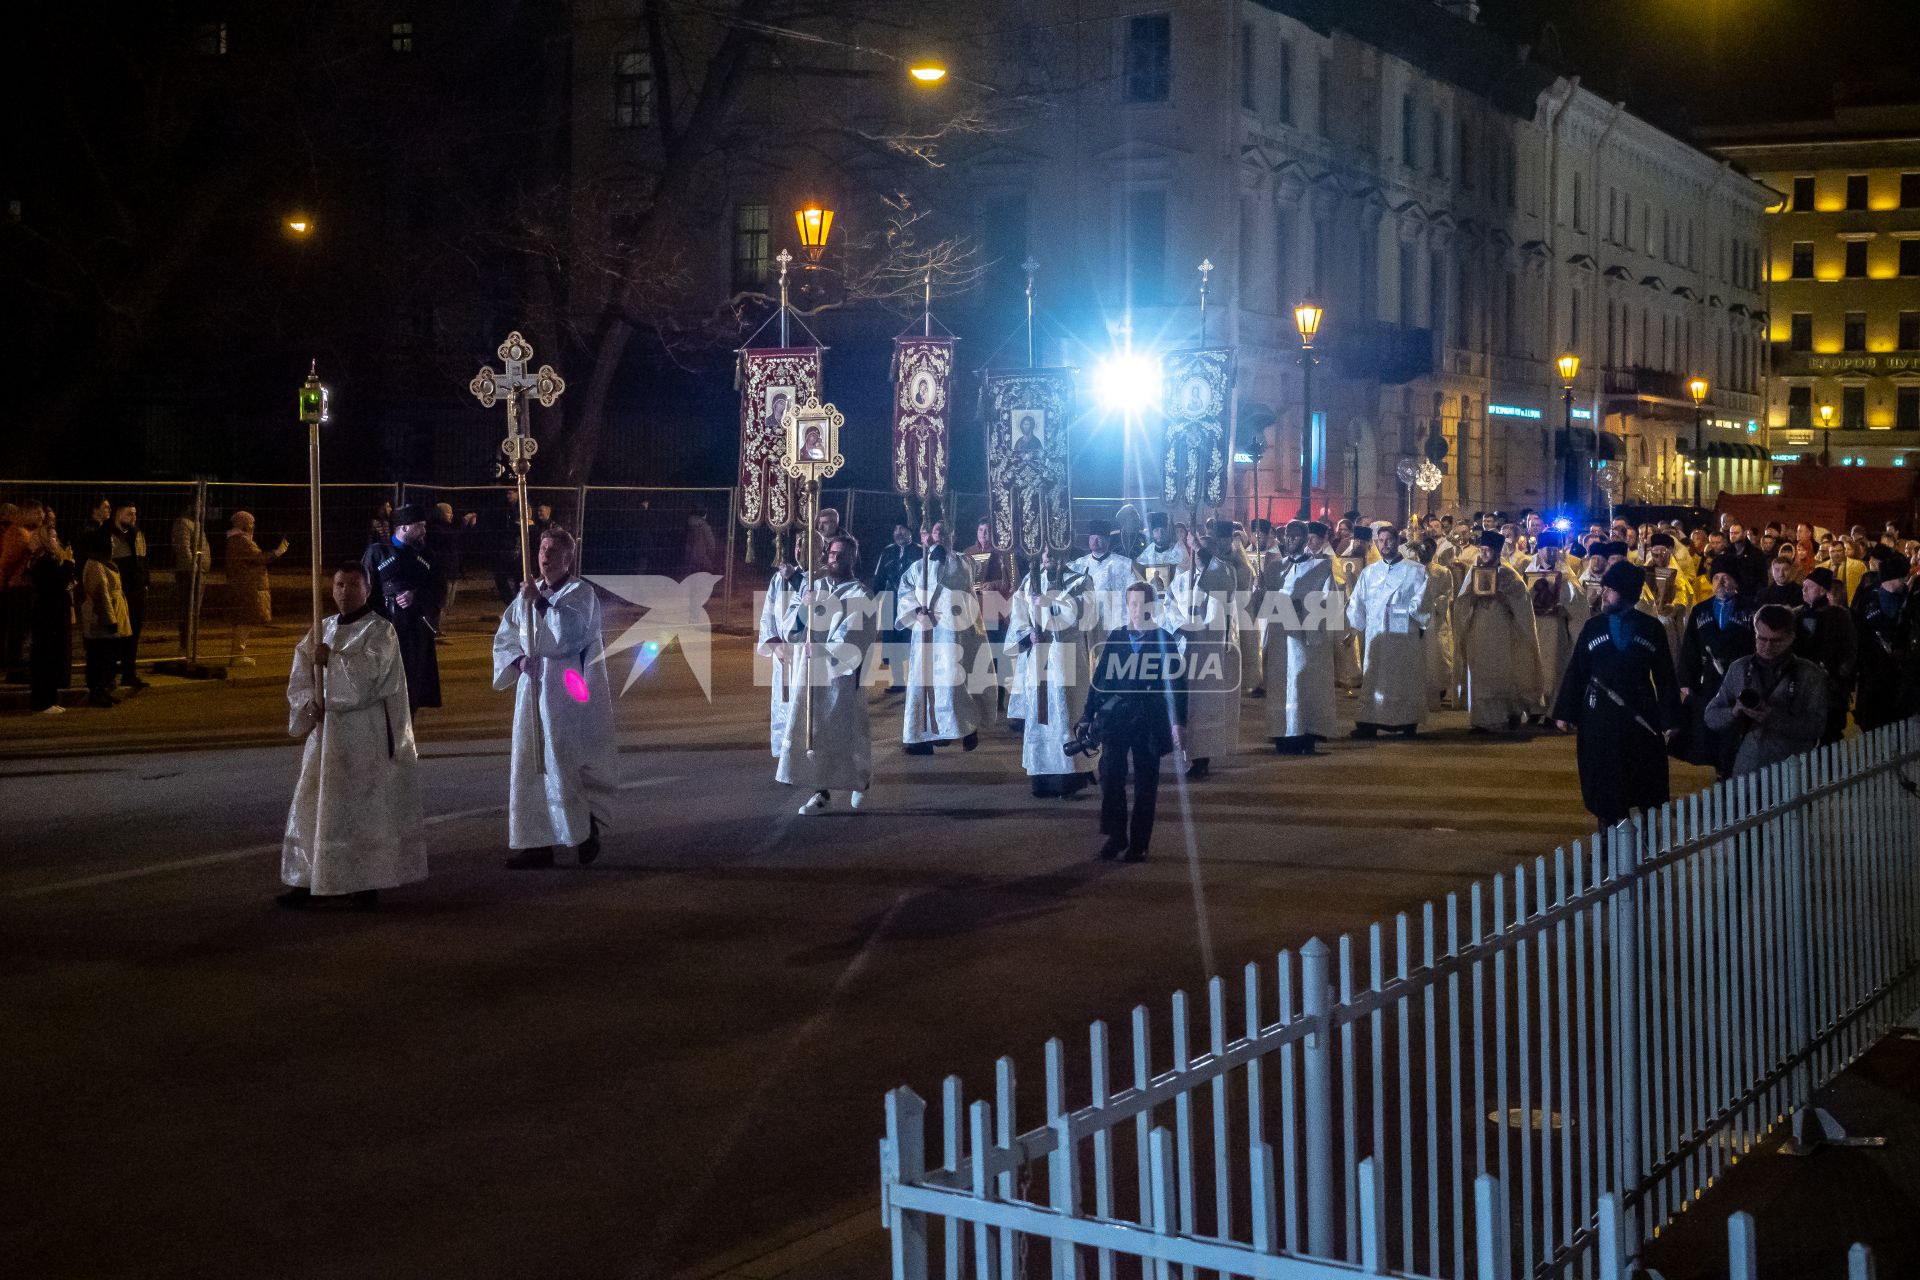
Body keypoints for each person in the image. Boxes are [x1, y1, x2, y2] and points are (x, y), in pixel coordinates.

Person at [279, 562, 428, 909]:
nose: (344, 592)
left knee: (359, 804)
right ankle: (309, 877)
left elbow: (369, 682)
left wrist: (333, 661)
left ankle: (363, 880)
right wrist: (307, 703)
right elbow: (301, 671)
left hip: (361, 729)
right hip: (326, 731)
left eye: (352, 585)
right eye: (339, 585)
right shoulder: (323, 628)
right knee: (313, 799)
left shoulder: (379, 631)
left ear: (367, 588)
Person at [494, 527, 620, 868]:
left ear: (567, 557)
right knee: (529, 763)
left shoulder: (580, 592)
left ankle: (583, 829)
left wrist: (543, 602)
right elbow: (506, 635)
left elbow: (572, 634)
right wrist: (518, 660)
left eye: (552, 551)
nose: (545, 556)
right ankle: (536, 842)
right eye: (541, 549)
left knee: (561, 760)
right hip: (531, 687)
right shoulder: (527, 592)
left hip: (563, 690)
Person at [1552, 561, 1682, 827]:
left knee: (1641, 776)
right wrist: (1565, 712)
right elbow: (1577, 671)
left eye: (1610, 590)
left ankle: (1644, 837)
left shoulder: (1651, 628)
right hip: (1600, 717)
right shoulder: (1593, 627)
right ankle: (1607, 836)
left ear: (1625, 593)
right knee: (1603, 777)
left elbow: (1665, 677)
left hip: (1639, 714)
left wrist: (1670, 719)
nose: (1604, 595)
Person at [1082, 581, 1186, 862]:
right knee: (1111, 775)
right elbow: (1099, 681)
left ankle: (1140, 842)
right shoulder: (1116, 638)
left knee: (1146, 781)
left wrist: (1178, 723)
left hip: (1149, 718)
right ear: (1127, 606)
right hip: (1117, 717)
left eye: (1143, 604)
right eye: (1133, 604)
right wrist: (1087, 714)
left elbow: (1176, 685)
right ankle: (1116, 835)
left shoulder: (1164, 639)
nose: (1138, 609)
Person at [780, 534, 876, 815]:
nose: (835, 558)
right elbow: (791, 628)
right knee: (815, 731)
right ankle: (821, 793)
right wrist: (802, 610)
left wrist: (822, 648)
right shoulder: (813, 586)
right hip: (809, 673)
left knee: (846, 731)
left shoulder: (860, 594)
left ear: (853, 558)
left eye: (842, 554)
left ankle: (860, 780)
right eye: (832, 553)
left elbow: (855, 634)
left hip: (842, 677)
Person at [1006, 547, 1095, 796]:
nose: (1047, 556)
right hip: (1039, 656)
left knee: (1066, 712)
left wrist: (1049, 604)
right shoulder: (1030, 581)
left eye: (1052, 551)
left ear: (1063, 553)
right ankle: (1042, 777)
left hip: (1066, 654)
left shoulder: (1080, 580)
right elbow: (1019, 616)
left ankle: (1070, 777)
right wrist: (1028, 633)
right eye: (1043, 551)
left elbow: (1086, 618)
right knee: (1040, 716)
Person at [1703, 604, 1827, 776]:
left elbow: (1817, 727)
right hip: (1746, 771)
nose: (1767, 647)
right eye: (1761, 638)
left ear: (1791, 638)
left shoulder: (1809, 674)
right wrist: (1735, 711)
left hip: (1791, 771)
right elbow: (1711, 716)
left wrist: (1773, 717)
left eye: (1776, 640)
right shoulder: (1739, 668)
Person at [896, 520, 982, 755]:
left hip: (954, 632)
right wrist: (915, 610)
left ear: (952, 536)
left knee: (954, 682)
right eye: (937, 532)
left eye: (945, 533)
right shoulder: (917, 566)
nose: (941, 536)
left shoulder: (964, 562)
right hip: (926, 630)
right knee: (923, 683)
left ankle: (965, 728)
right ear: (930, 535)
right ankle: (921, 736)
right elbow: (905, 590)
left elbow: (965, 585)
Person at [1166, 520, 1242, 777]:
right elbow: (1169, 604)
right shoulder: (1181, 577)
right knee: (1183, 701)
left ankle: (1201, 756)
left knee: (1203, 704)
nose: (1198, 556)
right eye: (1196, 552)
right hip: (1184, 647)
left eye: (1204, 552)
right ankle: (1184, 750)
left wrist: (1198, 625)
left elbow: (1225, 591)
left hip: (1207, 647)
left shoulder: (1224, 572)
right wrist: (1180, 624)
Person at [1346, 524, 1437, 738]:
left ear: (1397, 542)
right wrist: (1354, 627)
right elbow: (1357, 601)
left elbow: (1423, 602)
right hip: (1376, 636)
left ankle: (1405, 722)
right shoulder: (1370, 572)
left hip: (1403, 635)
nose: (1385, 545)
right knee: (1374, 676)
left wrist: (1404, 613)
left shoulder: (1415, 570)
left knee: (1402, 676)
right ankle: (1369, 721)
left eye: (1389, 540)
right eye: (1381, 540)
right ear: (1376, 543)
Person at [1259, 520, 1341, 754]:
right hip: (1279, 637)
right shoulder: (1276, 568)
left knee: (1302, 682)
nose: (1290, 540)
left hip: (1306, 638)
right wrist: (1260, 588)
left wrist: (1302, 607)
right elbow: (1263, 603)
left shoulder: (1321, 567)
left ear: (1306, 539)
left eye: (1295, 537)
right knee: (1280, 684)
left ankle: (1306, 733)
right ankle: (1282, 733)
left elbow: (1330, 602)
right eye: (1287, 536)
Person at [1454, 530, 1541, 733]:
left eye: (1488, 551)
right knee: (1479, 674)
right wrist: (1472, 598)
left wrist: (1505, 598)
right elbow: (1462, 601)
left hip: (1502, 631)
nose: (1484, 554)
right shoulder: (1474, 572)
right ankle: (1481, 720)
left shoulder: (1509, 575)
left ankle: (1509, 714)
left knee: (1502, 673)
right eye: (1482, 550)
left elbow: (1523, 605)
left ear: (1497, 551)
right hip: (1478, 628)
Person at [362, 503, 443, 717]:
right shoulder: (377, 553)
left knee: (412, 687)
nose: (424, 531)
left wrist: (417, 596)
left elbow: (438, 590)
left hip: (416, 634)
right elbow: (365, 592)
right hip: (384, 633)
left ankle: (407, 738)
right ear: (404, 527)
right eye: (420, 526)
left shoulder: (427, 555)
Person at [1675, 569, 1754, 777]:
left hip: (1739, 678)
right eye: (1717, 578)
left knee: (1735, 724)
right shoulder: (1701, 610)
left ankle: (1731, 767)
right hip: (1709, 679)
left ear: (1735, 581)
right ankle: (1718, 766)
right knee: (1711, 722)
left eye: (1727, 577)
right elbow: (1690, 648)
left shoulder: (1749, 609)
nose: (1721, 583)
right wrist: (1686, 680)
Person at [1522, 531, 1588, 724]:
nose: (1549, 552)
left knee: (1555, 668)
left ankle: (1552, 712)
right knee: (1534, 666)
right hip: (1535, 626)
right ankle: (1534, 708)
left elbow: (1578, 601)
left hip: (1555, 628)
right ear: (1539, 550)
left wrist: (1564, 609)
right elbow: (1522, 597)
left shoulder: (1566, 574)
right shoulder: (1529, 572)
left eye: (1553, 549)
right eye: (1546, 549)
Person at [1853, 547, 1920, 731]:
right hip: (1873, 675)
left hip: (1903, 677)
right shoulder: (1867, 601)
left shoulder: (1910, 600)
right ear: (1893, 578)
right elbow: (1858, 635)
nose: (1906, 581)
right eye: (1903, 577)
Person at [1794, 567, 1856, 745]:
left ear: (1822, 590)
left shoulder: (1839, 615)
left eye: (1809, 587)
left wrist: (1839, 674)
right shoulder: (1798, 614)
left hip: (1831, 683)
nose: (1804, 590)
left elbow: (1849, 649)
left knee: (1831, 732)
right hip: (1804, 682)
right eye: (1803, 586)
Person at [757, 535, 804, 757]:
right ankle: (784, 750)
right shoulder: (779, 579)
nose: (800, 549)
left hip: (807, 655)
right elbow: (768, 613)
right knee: (783, 704)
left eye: (807, 546)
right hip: (783, 654)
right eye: (798, 545)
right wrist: (775, 644)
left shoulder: (821, 578)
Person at [223, 512, 287, 668]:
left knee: (245, 620)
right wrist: (278, 552)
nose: (253, 526)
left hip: (245, 585)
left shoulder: (239, 540)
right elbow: (259, 558)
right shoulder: (241, 541)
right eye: (251, 523)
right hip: (247, 586)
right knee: (244, 620)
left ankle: (238, 653)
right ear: (243, 524)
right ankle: (237, 655)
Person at [26, 515, 74, 714]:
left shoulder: (49, 559)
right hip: (48, 613)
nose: (56, 541)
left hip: (51, 612)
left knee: (51, 656)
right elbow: (56, 584)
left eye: (56, 537)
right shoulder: (45, 561)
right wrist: (69, 564)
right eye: (52, 538)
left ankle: (49, 698)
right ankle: (43, 701)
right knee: (45, 656)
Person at [78, 530, 130, 709]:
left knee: (108, 657)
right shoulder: (95, 565)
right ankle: (96, 691)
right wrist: (110, 621)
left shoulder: (104, 562)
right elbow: (102, 595)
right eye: (111, 541)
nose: (114, 544)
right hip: (99, 619)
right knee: (100, 657)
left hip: (108, 615)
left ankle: (102, 691)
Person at [105, 503, 150, 691]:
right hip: (120, 592)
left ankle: (128, 674)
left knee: (133, 634)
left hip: (137, 591)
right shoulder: (109, 535)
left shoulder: (137, 534)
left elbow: (143, 561)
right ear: (117, 514)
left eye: (135, 513)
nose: (133, 517)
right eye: (129, 513)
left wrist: (146, 582)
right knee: (116, 634)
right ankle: (110, 676)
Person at [1068, 519, 1141, 632]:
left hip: (1116, 621)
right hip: (1089, 622)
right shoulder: (1079, 564)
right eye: (1092, 537)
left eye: (1099, 538)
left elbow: (1133, 594)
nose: (1095, 541)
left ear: (1108, 540)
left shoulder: (1125, 564)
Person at [870, 521, 916, 690]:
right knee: (892, 643)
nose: (899, 532)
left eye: (902, 528)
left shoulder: (919, 551)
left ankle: (915, 681)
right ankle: (898, 681)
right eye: (896, 528)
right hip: (891, 601)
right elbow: (879, 578)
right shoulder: (888, 552)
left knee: (912, 641)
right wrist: (871, 600)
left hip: (913, 603)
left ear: (910, 531)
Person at [1, 499, 43, 676]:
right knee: (19, 630)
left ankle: (18, 666)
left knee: (22, 630)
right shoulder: (18, 533)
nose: (41, 516)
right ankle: (16, 669)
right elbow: (7, 563)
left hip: (22, 588)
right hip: (19, 589)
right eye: (37, 512)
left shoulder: (25, 532)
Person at [170, 507, 213, 656]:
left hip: (199, 573)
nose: (202, 510)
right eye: (199, 506)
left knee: (194, 611)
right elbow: (183, 547)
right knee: (188, 610)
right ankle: (185, 646)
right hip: (190, 573)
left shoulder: (196, 524)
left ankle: (190, 646)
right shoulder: (184, 523)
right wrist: (194, 567)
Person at [427, 502, 476, 627]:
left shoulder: (447, 528)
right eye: (448, 512)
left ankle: (438, 628)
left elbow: (459, 538)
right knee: (441, 601)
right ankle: (434, 629)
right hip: (443, 572)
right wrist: (464, 522)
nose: (451, 515)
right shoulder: (435, 528)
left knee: (448, 602)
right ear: (440, 514)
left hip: (452, 570)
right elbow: (452, 536)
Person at [1135, 512, 1186, 591]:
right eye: (1156, 530)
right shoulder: (1148, 552)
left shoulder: (1178, 550)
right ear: (1152, 533)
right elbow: (1138, 573)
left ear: (1167, 531)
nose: (1160, 533)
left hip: (1173, 597)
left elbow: (1184, 575)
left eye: (1163, 530)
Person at [684, 508, 721, 577]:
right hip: (702, 557)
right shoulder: (704, 526)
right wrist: (712, 556)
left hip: (689, 559)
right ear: (704, 514)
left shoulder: (688, 524)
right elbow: (711, 543)